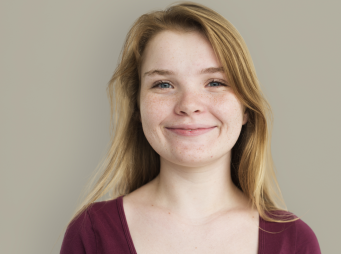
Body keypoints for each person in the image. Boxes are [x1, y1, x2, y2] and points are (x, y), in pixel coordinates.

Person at [60, 2, 321, 253]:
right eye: (163, 84)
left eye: (215, 83)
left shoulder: (294, 242)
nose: (189, 105)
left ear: (245, 107)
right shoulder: (91, 234)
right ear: (137, 108)